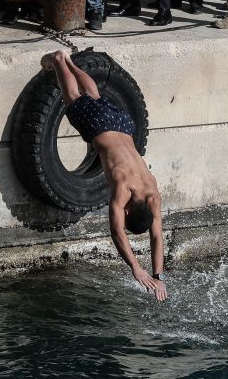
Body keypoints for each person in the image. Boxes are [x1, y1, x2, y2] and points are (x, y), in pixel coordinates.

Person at [40, 49, 167, 302]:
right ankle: (59, 61)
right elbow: (117, 232)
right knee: (73, 98)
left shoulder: (153, 193)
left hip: (123, 124)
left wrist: (158, 276)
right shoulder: (123, 190)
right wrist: (136, 268)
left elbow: (156, 235)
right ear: (128, 211)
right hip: (99, 127)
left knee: (94, 95)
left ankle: (70, 62)